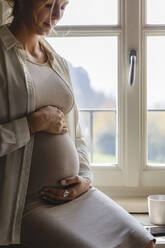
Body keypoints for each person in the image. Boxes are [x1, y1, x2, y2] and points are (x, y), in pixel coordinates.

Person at [0, 0, 155, 247]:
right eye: (49, 4)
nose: (56, 15)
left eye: (63, 6)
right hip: (27, 205)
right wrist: (30, 124)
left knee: (142, 242)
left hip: (76, 197)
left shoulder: (56, 61)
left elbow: (76, 134)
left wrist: (84, 178)